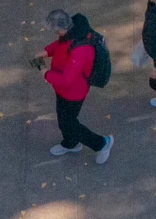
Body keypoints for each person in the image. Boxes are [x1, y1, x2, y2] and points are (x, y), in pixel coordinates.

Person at [31, 8, 113, 162]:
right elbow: (60, 46)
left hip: (73, 92)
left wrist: (45, 73)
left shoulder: (81, 50)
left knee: (69, 123)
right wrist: (46, 51)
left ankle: (102, 143)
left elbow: (67, 80)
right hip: (63, 90)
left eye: (56, 31)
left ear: (63, 28)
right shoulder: (73, 31)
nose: (56, 35)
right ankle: (71, 143)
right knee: (64, 119)